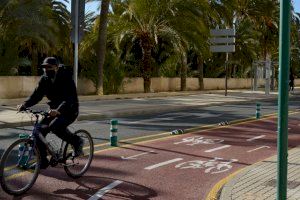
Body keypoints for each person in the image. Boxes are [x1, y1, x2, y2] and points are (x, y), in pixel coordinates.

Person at [17, 57, 83, 169]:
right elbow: (37, 95)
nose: (46, 69)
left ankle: (77, 141)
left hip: (70, 110)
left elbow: (69, 98)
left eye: (49, 67)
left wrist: (58, 110)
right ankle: (43, 161)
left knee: (55, 127)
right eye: (44, 67)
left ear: (56, 67)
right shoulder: (45, 79)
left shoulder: (66, 78)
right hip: (53, 111)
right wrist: (25, 105)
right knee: (38, 130)